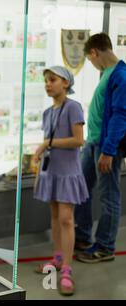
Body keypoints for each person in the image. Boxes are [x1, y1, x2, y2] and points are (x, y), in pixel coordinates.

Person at [33, 66, 88, 296]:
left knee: (66, 218)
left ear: (65, 83)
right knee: (55, 217)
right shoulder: (48, 112)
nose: (48, 84)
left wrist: (48, 144)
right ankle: (57, 257)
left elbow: (78, 140)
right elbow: (49, 142)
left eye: (52, 79)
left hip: (67, 173)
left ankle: (66, 269)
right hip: (51, 172)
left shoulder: (73, 107)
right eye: (46, 80)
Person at [74, 33, 126, 263]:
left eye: (90, 59)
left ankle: (105, 247)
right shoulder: (106, 73)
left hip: (105, 148)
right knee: (81, 188)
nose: (91, 63)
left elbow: (120, 116)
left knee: (108, 196)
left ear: (94, 53)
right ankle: (83, 236)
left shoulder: (121, 76)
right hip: (93, 143)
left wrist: (109, 151)